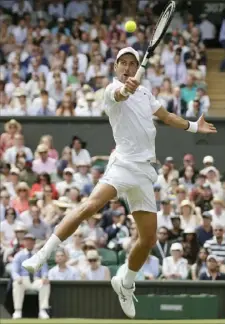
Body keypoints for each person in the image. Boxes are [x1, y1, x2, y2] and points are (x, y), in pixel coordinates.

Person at [23, 47, 217, 318]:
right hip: (123, 166)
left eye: (131, 63)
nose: (127, 67)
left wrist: (195, 127)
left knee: (148, 239)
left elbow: (167, 117)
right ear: (116, 68)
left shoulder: (147, 93)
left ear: (138, 67)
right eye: (122, 63)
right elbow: (120, 94)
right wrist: (127, 88)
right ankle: (43, 254)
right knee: (91, 206)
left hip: (145, 172)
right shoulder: (111, 91)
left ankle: (125, 282)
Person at [11, 234, 50, 319]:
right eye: (27, 240)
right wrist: (17, 277)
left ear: (34, 242)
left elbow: (44, 269)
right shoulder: (19, 255)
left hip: (36, 279)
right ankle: (17, 310)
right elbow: (14, 270)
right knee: (16, 284)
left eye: (31, 241)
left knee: (45, 284)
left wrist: (44, 277)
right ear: (24, 242)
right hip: (23, 279)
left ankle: (42, 310)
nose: (29, 242)